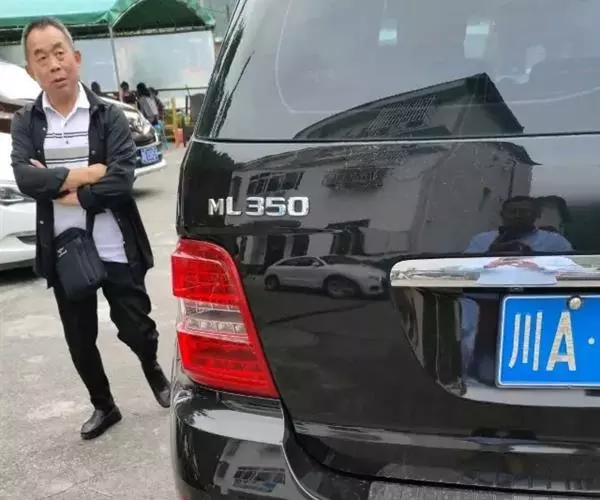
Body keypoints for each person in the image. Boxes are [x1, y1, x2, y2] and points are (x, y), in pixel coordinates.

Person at [10, 17, 171, 440]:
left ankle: (152, 366)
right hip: (65, 248)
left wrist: (65, 191)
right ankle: (104, 406)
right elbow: (26, 178)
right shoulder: (27, 121)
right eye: (41, 57)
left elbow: (121, 180)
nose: (54, 64)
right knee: (80, 338)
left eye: (59, 52)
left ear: (76, 57)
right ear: (31, 69)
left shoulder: (108, 114)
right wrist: (88, 174)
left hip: (114, 241)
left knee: (137, 326)